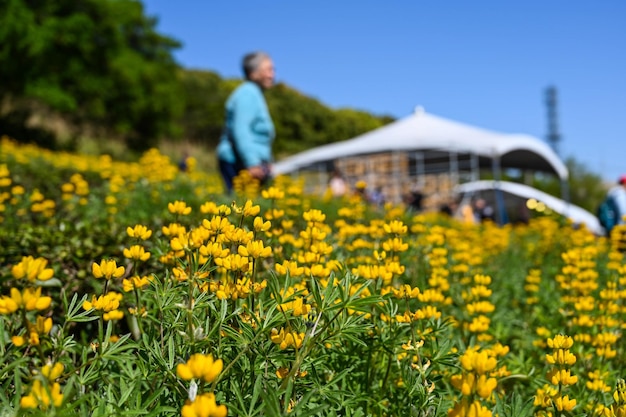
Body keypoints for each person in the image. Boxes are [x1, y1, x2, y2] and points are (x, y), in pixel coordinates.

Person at [216, 51, 276, 193]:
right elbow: (241, 130)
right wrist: (253, 163)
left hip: (249, 160)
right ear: (253, 73)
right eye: (268, 69)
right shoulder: (247, 94)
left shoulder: (254, 94)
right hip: (239, 161)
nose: (272, 75)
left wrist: (267, 161)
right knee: (239, 207)